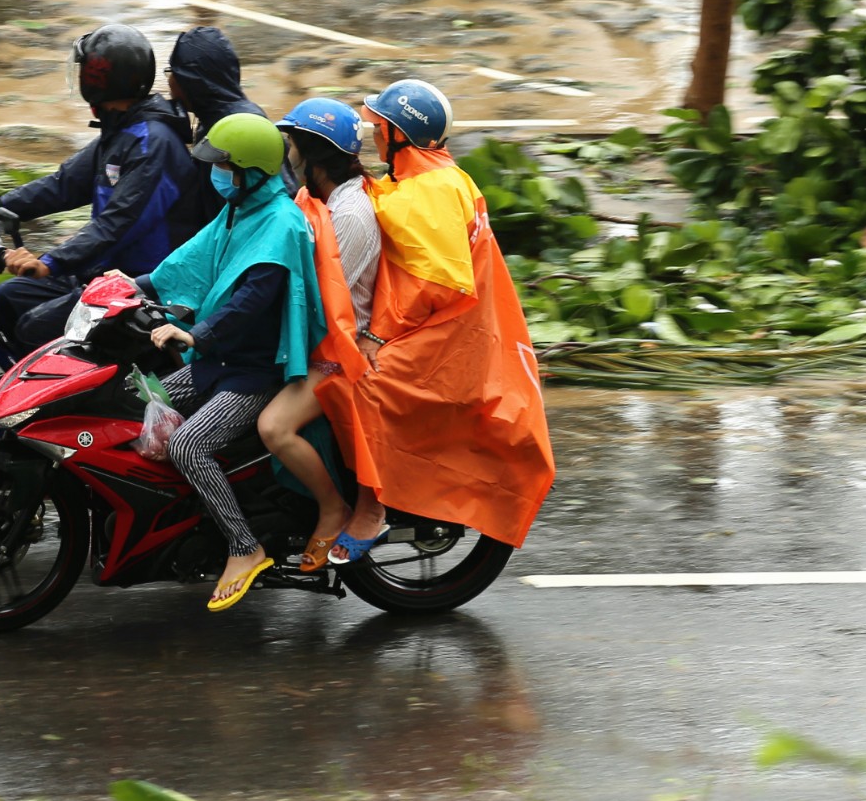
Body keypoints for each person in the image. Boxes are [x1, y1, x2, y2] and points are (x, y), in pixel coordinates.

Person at [314, 79, 556, 565]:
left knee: (358, 382)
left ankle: (371, 504)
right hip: (464, 325)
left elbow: (436, 285)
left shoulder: (431, 189)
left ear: (399, 135)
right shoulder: (438, 175)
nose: (374, 134)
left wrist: (376, 337)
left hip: (451, 334)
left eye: (380, 126)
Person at [137, 113, 324, 612]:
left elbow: (250, 302)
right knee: (140, 400)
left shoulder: (280, 224)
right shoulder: (239, 211)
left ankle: (246, 547)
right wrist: (129, 287)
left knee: (187, 444)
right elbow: (186, 261)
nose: (215, 173)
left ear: (251, 171)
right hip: (218, 359)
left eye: (223, 166)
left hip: (255, 371)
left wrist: (193, 332)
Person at [0, 24, 198, 355]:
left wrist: (51, 262)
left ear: (101, 77)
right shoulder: (121, 129)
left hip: (139, 282)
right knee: (7, 298)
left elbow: (117, 223)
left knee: (35, 326)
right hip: (103, 270)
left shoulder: (153, 143)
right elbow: (65, 184)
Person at [255, 98, 380, 573]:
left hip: (335, 352)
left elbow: (326, 298)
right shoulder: (321, 198)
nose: (289, 157)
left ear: (313, 154)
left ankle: (333, 507)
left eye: (294, 146)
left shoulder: (349, 214)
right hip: (312, 336)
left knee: (273, 425)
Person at [164, 27, 270, 232]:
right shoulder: (213, 119)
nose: (170, 83)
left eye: (173, 73)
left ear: (193, 83)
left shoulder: (238, 128)